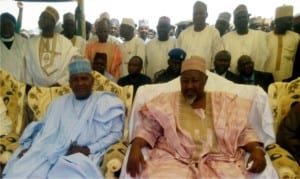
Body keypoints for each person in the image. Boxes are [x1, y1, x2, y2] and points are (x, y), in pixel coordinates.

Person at [126, 56, 268, 178]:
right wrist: (135, 148)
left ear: (205, 80)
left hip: (220, 160)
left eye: (195, 81)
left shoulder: (224, 102)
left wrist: (256, 150)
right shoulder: (166, 102)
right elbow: (148, 128)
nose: (189, 86)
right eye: (185, 81)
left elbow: (243, 130)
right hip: (174, 160)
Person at [2, 58, 125, 178]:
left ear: (92, 81)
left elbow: (116, 133)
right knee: (23, 170)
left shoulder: (106, 102)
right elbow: (43, 129)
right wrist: (31, 147)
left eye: (84, 78)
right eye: (75, 80)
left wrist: (88, 149)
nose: (80, 83)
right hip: (48, 150)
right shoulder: (58, 103)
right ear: (70, 83)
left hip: (83, 156)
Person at [24, 6, 79, 87]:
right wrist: (29, 84)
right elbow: (27, 66)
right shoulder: (30, 43)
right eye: (40, 17)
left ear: (53, 22)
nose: (41, 20)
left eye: (45, 17)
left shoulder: (65, 43)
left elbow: (71, 66)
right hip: (37, 89)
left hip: (60, 88)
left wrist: (60, 83)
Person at [222, 4, 269, 73]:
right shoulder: (226, 38)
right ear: (234, 21)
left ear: (248, 19)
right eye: (239, 18)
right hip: (234, 78)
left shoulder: (260, 36)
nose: (242, 20)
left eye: (244, 17)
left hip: (256, 78)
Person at [177, 1, 223, 69]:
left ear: (206, 14)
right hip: (185, 75)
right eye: (195, 14)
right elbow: (178, 56)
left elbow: (217, 56)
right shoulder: (184, 34)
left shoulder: (213, 32)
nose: (198, 16)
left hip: (206, 75)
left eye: (200, 13)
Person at [264, 5, 299, 82]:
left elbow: (295, 59)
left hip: (286, 77)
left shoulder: (296, 37)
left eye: (291, 19)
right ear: (277, 21)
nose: (291, 22)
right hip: (268, 78)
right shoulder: (266, 37)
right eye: (288, 20)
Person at [0, 12, 28, 83]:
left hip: (20, 86)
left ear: (14, 26)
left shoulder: (24, 43)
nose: (6, 28)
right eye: (3, 25)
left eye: (9, 25)